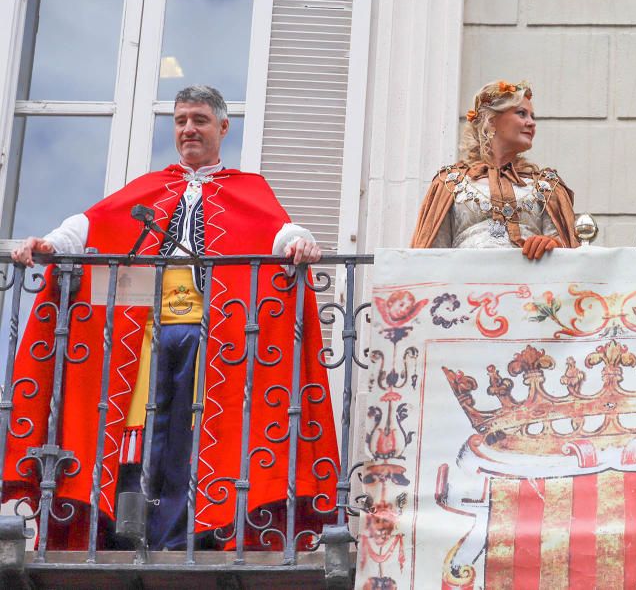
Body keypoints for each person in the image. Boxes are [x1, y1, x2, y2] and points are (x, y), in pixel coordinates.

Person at [5, 85, 337, 551]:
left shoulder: (249, 189)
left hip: (215, 338)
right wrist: (49, 246)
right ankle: (130, 533)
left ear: (223, 128)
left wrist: (302, 243)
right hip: (146, 335)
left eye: (199, 120)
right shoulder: (149, 187)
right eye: (180, 120)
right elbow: (85, 227)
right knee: (142, 433)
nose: (188, 129)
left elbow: (282, 232)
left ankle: (192, 535)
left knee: (197, 431)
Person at [410, 80, 579, 256]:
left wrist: (552, 244)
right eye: (521, 114)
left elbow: (569, 257)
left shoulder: (546, 186)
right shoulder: (450, 182)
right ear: (491, 120)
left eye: (532, 116)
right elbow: (430, 257)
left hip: (525, 283)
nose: (531, 123)